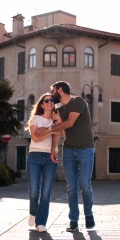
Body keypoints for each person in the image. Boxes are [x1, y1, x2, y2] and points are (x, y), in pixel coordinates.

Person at [35, 81, 96, 232]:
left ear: (60, 90)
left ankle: (89, 215)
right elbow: (62, 132)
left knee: (85, 185)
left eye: (53, 90)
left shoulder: (78, 101)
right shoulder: (59, 110)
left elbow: (70, 123)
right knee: (72, 188)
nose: (51, 93)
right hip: (68, 150)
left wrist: (47, 129)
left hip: (85, 149)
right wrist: (53, 148)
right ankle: (73, 221)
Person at [26, 93, 62, 232]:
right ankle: (34, 212)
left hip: (49, 157)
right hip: (34, 156)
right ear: (42, 104)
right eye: (46, 100)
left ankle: (41, 223)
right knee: (34, 190)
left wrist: (54, 126)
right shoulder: (35, 119)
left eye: (52, 100)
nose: (50, 102)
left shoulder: (55, 120)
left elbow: (59, 135)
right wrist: (51, 131)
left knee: (46, 192)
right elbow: (35, 138)